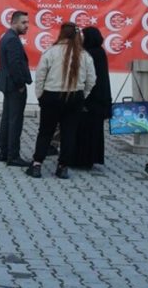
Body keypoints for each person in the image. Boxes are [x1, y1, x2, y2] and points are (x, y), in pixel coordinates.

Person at [26, 23, 96, 179]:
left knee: (45, 132)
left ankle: (37, 165)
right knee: (69, 133)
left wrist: (40, 95)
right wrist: (82, 95)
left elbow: (40, 75)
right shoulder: (84, 55)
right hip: (75, 97)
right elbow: (92, 79)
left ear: (61, 34)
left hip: (51, 96)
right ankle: (62, 167)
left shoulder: (50, 52)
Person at [69, 27, 111, 170]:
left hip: (89, 97)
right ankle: (91, 159)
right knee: (94, 131)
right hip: (99, 98)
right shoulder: (100, 52)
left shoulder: (88, 53)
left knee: (82, 130)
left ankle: (79, 159)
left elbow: (89, 77)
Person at [0, 10, 32, 167]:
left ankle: (4, 153)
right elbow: (14, 65)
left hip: (7, 85)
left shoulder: (7, 37)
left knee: (7, 119)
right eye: (23, 23)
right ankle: (13, 156)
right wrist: (20, 85)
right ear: (14, 22)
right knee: (15, 121)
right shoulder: (12, 40)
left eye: (27, 22)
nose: (27, 26)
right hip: (14, 86)